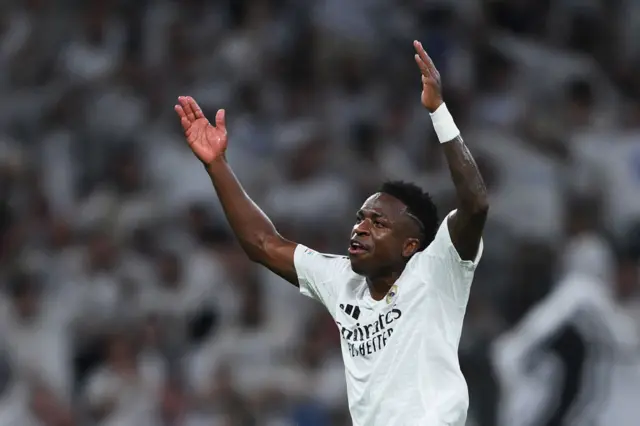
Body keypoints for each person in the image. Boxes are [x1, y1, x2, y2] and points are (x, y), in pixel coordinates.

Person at [174, 41, 488, 426]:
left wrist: (438, 112)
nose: (361, 227)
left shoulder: (438, 269)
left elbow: (475, 204)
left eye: (379, 222)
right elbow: (262, 244)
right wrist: (217, 166)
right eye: (361, 217)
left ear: (411, 246)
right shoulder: (341, 281)